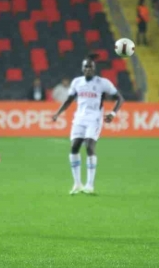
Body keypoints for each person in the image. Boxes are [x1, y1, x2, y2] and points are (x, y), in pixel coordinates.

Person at [52, 58, 124, 195]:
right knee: (74, 148)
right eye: (86, 67)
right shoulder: (77, 82)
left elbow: (120, 98)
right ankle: (77, 184)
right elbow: (69, 100)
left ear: (94, 68)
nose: (88, 69)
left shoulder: (103, 83)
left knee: (90, 147)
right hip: (79, 119)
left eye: (90, 67)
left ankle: (90, 185)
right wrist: (57, 113)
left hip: (94, 119)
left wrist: (113, 113)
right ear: (82, 68)